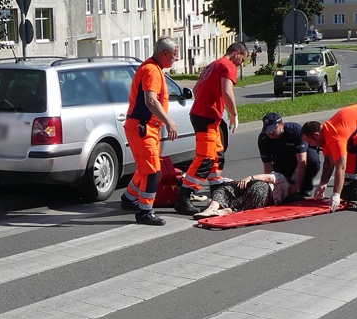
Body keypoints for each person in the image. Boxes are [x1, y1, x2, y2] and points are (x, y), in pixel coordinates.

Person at [175, 41, 247, 215]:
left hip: (203, 115)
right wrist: (234, 114)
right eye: (242, 60)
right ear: (236, 53)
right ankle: (184, 196)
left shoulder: (212, 65)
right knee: (206, 158)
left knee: (216, 154)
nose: (241, 64)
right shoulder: (227, 65)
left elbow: (197, 90)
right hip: (207, 116)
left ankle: (217, 191)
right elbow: (227, 91)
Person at [120, 37, 181, 225]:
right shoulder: (151, 70)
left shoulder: (153, 68)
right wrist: (169, 122)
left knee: (145, 168)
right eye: (174, 55)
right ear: (164, 54)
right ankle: (145, 211)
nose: (175, 59)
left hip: (143, 127)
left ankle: (129, 198)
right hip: (143, 127)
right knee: (153, 172)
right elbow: (151, 101)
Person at [301, 104, 357, 213]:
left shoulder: (336, 137)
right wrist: (323, 184)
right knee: (350, 157)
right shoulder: (325, 136)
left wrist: (336, 194)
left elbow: (340, 167)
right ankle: (350, 190)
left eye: (310, 142)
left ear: (316, 135)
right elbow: (329, 162)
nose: (312, 146)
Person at [258, 112, 321, 198]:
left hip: (298, 158)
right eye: (268, 130)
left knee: (312, 157)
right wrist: (272, 188)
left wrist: (296, 187)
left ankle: (304, 187)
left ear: (282, 125)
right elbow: (267, 165)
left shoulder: (295, 132)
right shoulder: (263, 139)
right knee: (284, 188)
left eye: (273, 129)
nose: (270, 133)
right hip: (281, 162)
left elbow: (302, 162)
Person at [193, 171, 291, 218]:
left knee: (224, 191)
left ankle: (213, 208)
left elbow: (269, 178)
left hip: (262, 189)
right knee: (241, 201)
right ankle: (222, 209)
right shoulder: (286, 191)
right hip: (261, 194)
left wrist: (250, 177)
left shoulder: (280, 177)